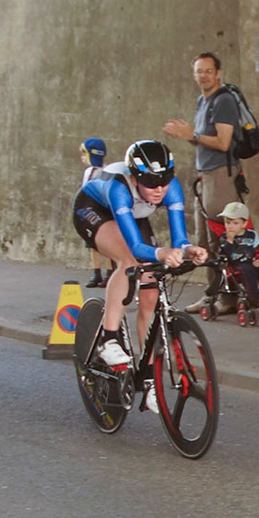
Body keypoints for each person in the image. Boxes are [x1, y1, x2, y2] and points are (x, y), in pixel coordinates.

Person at [71, 140, 209, 410]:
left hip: (132, 214)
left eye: (164, 181)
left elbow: (180, 239)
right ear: (135, 178)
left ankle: (148, 379)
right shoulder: (119, 188)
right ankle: (109, 339)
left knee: (150, 292)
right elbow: (136, 247)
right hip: (93, 210)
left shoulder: (169, 187)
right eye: (151, 182)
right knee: (130, 260)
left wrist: (188, 250)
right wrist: (162, 252)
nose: (159, 189)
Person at [163, 52, 247, 230]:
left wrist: (192, 135)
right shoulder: (202, 100)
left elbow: (223, 143)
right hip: (205, 177)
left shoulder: (224, 100)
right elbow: (200, 139)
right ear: (194, 75)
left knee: (223, 234)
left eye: (209, 71)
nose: (204, 76)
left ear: (218, 73)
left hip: (221, 176)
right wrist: (186, 135)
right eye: (199, 72)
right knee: (203, 237)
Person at [77, 136, 110, 288]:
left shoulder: (99, 172)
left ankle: (105, 272)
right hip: (97, 211)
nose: (82, 157)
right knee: (95, 244)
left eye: (84, 154)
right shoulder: (95, 171)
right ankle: (100, 273)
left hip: (98, 212)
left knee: (102, 245)